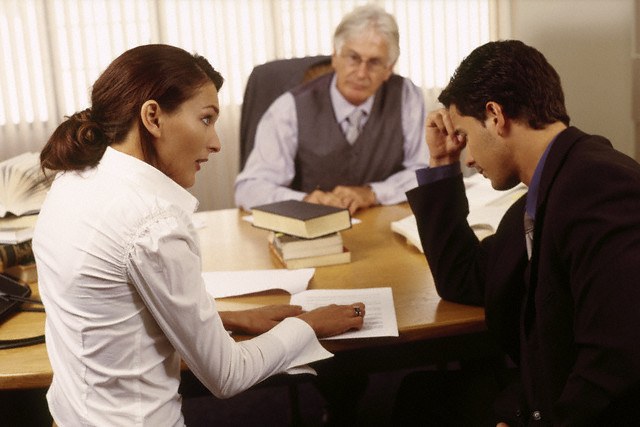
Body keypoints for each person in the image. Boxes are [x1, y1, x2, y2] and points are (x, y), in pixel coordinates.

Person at [32, 44, 366, 426]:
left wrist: (228, 319)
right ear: (153, 117)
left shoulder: (72, 181)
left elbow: (115, 319)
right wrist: (308, 325)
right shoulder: (153, 224)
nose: (216, 142)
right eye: (206, 119)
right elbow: (227, 374)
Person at [400, 40, 640, 425]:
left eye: (465, 137)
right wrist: (442, 163)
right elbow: (463, 277)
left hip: (573, 409)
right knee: (417, 395)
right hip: (541, 389)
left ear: (495, 115)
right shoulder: (539, 198)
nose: (470, 157)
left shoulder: (600, 187)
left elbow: (617, 360)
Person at [234, 4, 428, 214]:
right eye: (353, 58)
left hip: (381, 227)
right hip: (313, 231)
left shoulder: (407, 96)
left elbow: (424, 170)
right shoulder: (289, 107)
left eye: (374, 62)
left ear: (389, 68)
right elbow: (249, 188)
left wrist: (373, 193)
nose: (362, 73)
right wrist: (305, 199)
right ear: (335, 56)